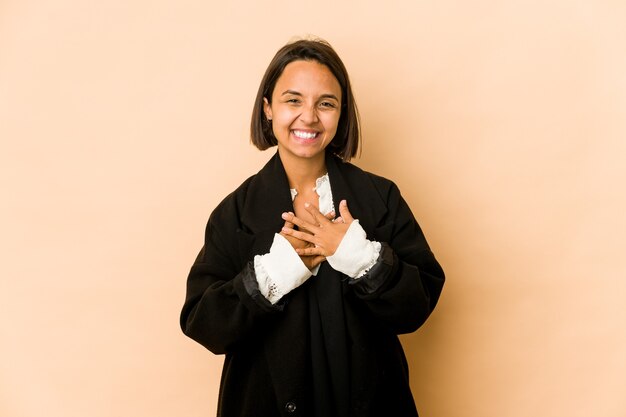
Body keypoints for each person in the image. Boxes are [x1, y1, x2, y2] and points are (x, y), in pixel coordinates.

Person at [180, 38, 445, 417]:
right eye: (293, 100)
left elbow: (417, 306)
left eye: (326, 103)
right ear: (268, 108)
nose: (309, 116)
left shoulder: (379, 197)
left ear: (341, 115)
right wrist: (275, 273)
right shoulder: (234, 213)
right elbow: (204, 323)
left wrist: (359, 256)